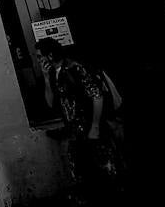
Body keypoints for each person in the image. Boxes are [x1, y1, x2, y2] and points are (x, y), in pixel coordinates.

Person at [35, 38, 124, 204]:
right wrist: (46, 79)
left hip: (91, 128)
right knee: (84, 173)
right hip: (75, 132)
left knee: (106, 169)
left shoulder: (75, 68)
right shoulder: (54, 74)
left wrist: (95, 126)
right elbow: (51, 104)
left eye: (40, 56)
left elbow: (96, 96)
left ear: (50, 55)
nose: (39, 60)